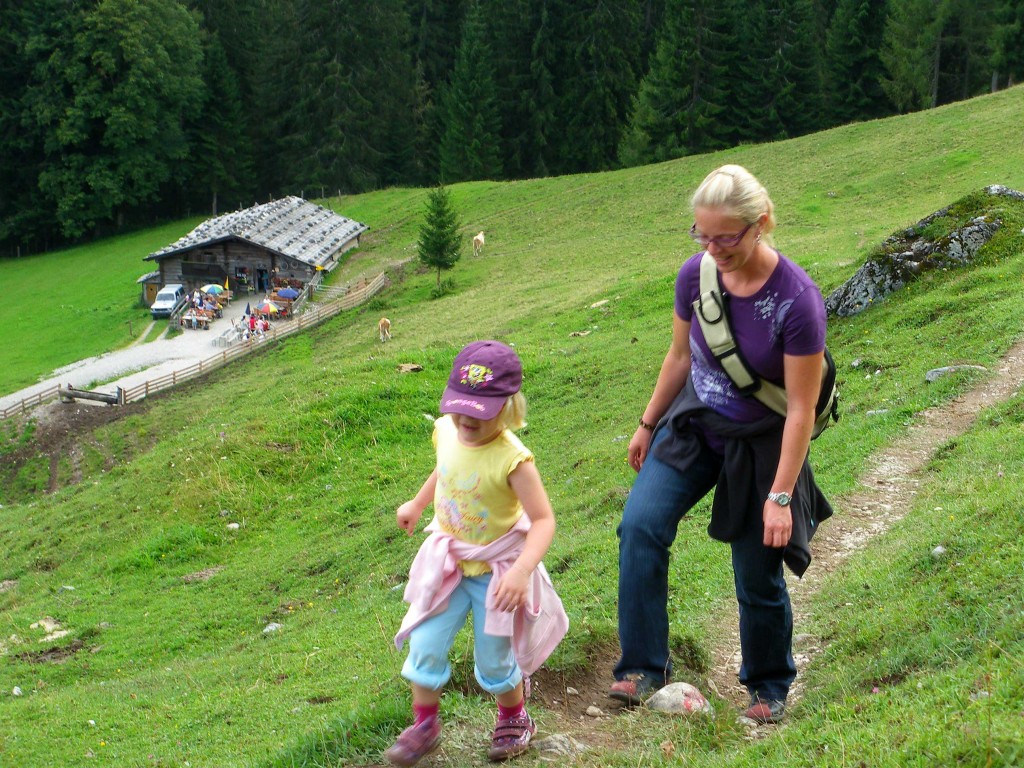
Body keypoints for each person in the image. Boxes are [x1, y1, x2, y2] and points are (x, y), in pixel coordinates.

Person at [610, 165, 833, 724]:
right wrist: (646, 421)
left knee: (756, 570)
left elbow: (801, 410)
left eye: (725, 237)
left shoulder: (797, 301)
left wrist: (780, 497)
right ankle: (642, 668)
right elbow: (680, 357)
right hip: (693, 426)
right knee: (639, 526)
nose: (712, 248)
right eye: (701, 235)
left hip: (760, 444)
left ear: (761, 225)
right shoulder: (696, 276)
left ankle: (769, 683)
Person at [387, 340, 568, 766]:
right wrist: (416, 503)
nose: (466, 419)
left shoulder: (514, 460)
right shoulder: (447, 431)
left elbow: (543, 520)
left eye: (480, 411)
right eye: (459, 406)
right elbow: (445, 467)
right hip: (447, 564)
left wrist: (522, 571)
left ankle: (514, 716)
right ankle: (424, 723)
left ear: (508, 407)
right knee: (425, 644)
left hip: (496, 574)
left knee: (493, 659)